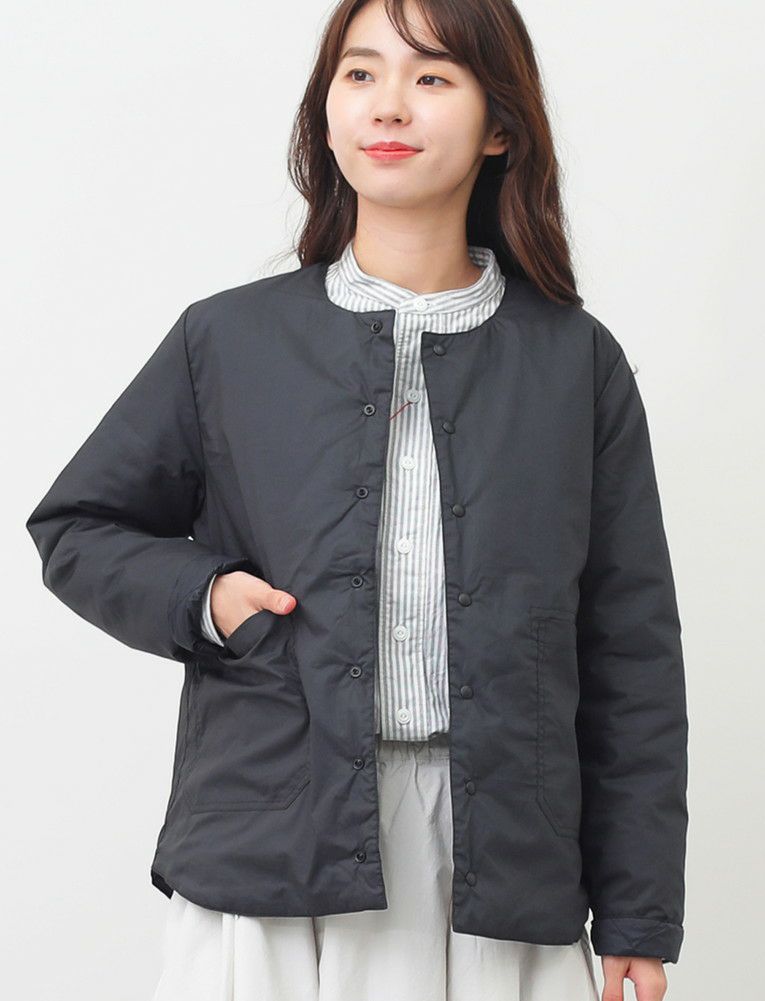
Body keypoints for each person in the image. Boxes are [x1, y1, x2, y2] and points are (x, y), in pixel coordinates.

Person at [25, 1, 688, 999]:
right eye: (360, 74)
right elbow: (79, 526)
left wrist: (637, 907)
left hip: (502, 861)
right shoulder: (228, 340)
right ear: (325, 115)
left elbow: (630, 647)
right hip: (273, 846)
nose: (389, 105)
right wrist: (209, 597)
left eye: (432, 77)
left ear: (500, 126)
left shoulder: (573, 362)